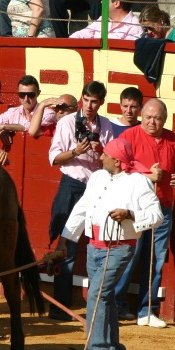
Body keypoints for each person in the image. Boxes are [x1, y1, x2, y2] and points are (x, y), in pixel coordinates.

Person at [60, 138, 163, 350]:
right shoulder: (97, 177)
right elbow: (82, 208)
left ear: (117, 161)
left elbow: (156, 215)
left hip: (119, 246)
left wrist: (130, 214)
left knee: (97, 295)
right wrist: (65, 239)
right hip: (93, 247)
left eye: (105, 154)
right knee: (105, 299)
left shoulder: (138, 182)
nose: (101, 157)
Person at [112, 99, 175, 327]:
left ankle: (147, 310)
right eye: (148, 117)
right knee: (130, 256)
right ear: (141, 116)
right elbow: (118, 169)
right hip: (134, 208)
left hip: (162, 208)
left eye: (157, 118)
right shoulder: (129, 136)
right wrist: (147, 175)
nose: (152, 122)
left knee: (155, 260)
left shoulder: (172, 139)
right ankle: (116, 305)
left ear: (164, 119)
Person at [46, 80, 115, 321]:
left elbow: (112, 161)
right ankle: (60, 307)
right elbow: (54, 158)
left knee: (100, 243)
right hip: (72, 185)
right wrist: (76, 151)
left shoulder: (106, 125)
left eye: (94, 101)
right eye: (86, 100)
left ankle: (99, 305)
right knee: (66, 246)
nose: (89, 105)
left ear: (101, 102)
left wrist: (100, 151)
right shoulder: (66, 122)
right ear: (81, 99)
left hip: (97, 187)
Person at [0, 75, 55, 141]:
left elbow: (31, 128)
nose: (26, 99)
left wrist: (3, 126)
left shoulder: (48, 113)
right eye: (22, 94)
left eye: (31, 95)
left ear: (38, 93)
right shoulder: (13, 112)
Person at [68, 0, 142, 41]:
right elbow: (83, 34)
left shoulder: (134, 26)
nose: (101, 2)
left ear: (116, 3)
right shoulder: (103, 19)